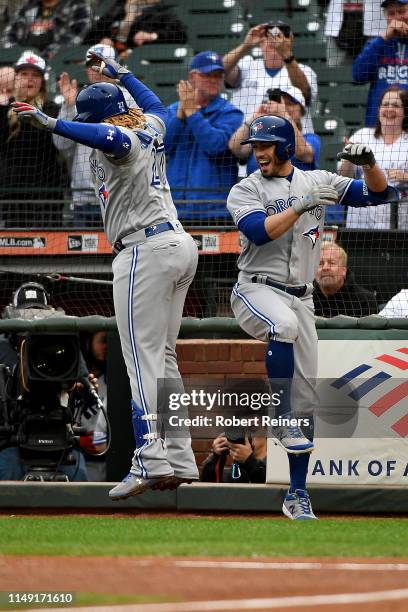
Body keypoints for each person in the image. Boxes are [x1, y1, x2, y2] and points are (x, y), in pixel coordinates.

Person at [12, 49, 200, 500]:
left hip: (144, 250)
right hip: (177, 245)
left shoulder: (124, 141)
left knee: (139, 360)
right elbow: (154, 106)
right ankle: (181, 456)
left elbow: (108, 138)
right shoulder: (149, 125)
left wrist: (55, 123)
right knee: (165, 360)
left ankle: (150, 460)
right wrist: (125, 74)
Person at [226, 114, 399, 520]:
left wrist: (369, 163)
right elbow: (259, 232)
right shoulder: (244, 189)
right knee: (281, 327)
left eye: (267, 145)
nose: (260, 153)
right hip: (256, 288)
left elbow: (381, 195)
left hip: (302, 299)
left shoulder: (316, 180)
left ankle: (297, 494)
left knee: (308, 403)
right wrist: (304, 204)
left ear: (285, 146)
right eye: (256, 147)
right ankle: (279, 414)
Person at [0, 281, 93, 481]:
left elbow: (86, 391)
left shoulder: (64, 345)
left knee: (80, 475)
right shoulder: (3, 347)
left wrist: (82, 387)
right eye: (27, 312)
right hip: (13, 443)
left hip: (59, 437)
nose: (32, 317)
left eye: (37, 311)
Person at [52, 44, 138, 227]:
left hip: (119, 197)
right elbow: (61, 144)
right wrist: (68, 106)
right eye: (92, 64)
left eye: (103, 64)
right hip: (84, 199)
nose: (97, 69)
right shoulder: (79, 98)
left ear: (115, 66)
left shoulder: (129, 98)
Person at [164, 51, 243, 221]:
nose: (215, 80)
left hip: (214, 212)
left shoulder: (230, 113)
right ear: (192, 77)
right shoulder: (172, 110)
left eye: (218, 76)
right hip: (173, 210)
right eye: (208, 75)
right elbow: (163, 148)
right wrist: (180, 116)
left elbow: (215, 146)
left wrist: (192, 112)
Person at [0, 51, 67, 228]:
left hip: (46, 195)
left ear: (42, 82)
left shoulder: (52, 109)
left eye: (35, 75)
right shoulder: (4, 109)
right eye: (24, 74)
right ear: (15, 79)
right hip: (12, 195)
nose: (30, 79)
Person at [223, 20, 318, 134]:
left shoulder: (304, 71)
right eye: (269, 36)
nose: (274, 41)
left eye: (279, 36)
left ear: (289, 42)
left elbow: (305, 95)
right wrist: (245, 46)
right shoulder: (247, 65)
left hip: (288, 140)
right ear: (261, 42)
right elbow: (221, 70)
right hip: (244, 140)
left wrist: (286, 54)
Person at [339, 86, 408, 229]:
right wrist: (348, 159)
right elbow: (343, 177)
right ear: (378, 110)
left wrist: (405, 176)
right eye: (385, 104)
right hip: (362, 213)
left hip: (400, 215)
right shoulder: (362, 135)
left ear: (405, 112)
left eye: (395, 105)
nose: (389, 109)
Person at [228, 85, 320, 176]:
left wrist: (285, 116)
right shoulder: (260, 141)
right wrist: (253, 118)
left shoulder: (311, 138)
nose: (283, 107)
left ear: (301, 111)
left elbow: (303, 153)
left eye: (290, 103)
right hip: (258, 190)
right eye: (280, 103)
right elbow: (235, 148)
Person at [353, 0, 408, 127]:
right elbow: (358, 76)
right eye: (391, 13)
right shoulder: (376, 44)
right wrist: (383, 38)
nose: (397, 18)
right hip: (378, 129)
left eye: (402, 11)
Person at [85, 0, 187, 55]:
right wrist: (102, 40)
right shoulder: (116, 11)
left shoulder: (163, 12)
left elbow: (180, 35)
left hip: (141, 61)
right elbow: (88, 38)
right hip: (109, 63)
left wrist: (153, 36)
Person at [1, 0, 92, 60]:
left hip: (60, 65)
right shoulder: (27, 7)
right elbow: (7, 36)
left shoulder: (78, 6)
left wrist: (41, 57)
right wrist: (19, 55)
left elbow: (75, 37)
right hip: (24, 66)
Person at [313, 242, 378, 317]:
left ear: (344, 270)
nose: (325, 268)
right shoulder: (304, 298)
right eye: (320, 263)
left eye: (331, 263)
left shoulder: (366, 300)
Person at [200, 432, 266, 483]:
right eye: (244, 429)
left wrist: (249, 460)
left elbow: (269, 489)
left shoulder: (274, 464)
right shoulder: (235, 471)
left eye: (253, 427)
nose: (247, 435)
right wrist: (216, 457)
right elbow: (208, 488)